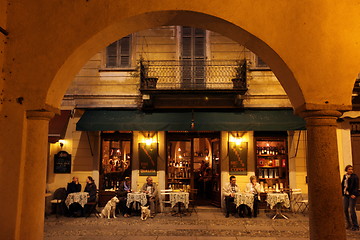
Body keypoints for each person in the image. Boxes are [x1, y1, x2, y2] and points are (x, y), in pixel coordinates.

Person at [341, 165, 359, 231]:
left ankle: (355, 225)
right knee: (345, 209)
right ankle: (349, 224)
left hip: (352, 195)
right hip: (346, 195)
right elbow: (343, 185)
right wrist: (343, 193)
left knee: (352, 210)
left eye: (351, 169)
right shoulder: (345, 176)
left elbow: (356, 186)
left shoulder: (355, 177)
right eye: (349, 169)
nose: (350, 170)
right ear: (346, 170)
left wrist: (354, 194)